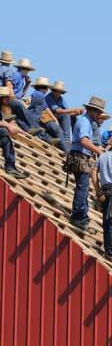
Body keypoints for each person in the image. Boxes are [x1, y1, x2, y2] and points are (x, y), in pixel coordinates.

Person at [68, 96, 107, 229]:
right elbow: (84, 141)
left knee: (82, 187)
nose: (99, 115)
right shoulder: (85, 122)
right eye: (98, 112)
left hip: (80, 156)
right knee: (82, 187)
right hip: (79, 156)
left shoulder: (87, 121)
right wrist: (99, 151)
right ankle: (78, 216)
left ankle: (81, 215)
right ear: (92, 110)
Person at [26, 77, 67, 150]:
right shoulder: (39, 95)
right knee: (54, 129)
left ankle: (52, 140)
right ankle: (65, 148)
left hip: (36, 118)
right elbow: (37, 110)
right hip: (34, 118)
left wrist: (54, 118)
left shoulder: (38, 95)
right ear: (44, 88)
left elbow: (46, 108)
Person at [45, 81, 83, 147]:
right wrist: (74, 110)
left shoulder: (61, 99)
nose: (58, 93)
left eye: (59, 91)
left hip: (58, 117)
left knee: (74, 118)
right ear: (53, 90)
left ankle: (76, 139)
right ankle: (66, 139)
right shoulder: (49, 97)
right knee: (65, 115)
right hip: (49, 117)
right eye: (56, 91)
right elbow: (58, 111)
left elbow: (66, 112)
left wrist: (76, 113)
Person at [91, 150, 112, 261]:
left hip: (106, 191)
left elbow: (93, 172)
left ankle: (109, 251)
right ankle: (110, 251)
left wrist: (98, 191)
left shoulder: (103, 156)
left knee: (108, 222)